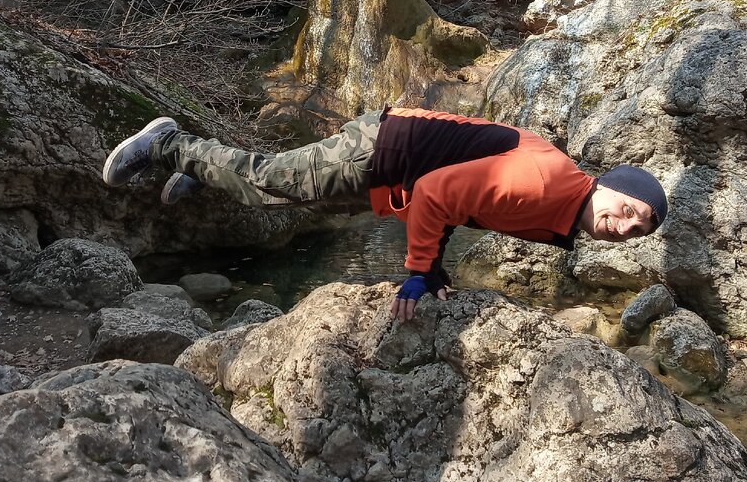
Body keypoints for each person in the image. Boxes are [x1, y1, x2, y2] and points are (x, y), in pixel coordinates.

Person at [102, 108, 668, 322]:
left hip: (396, 169)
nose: (623, 227)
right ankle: (170, 143)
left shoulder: (564, 205)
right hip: (385, 151)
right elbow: (439, 195)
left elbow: (460, 203)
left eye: (634, 231)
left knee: (281, 194)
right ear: (608, 185)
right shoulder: (547, 185)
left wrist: (437, 269)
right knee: (268, 183)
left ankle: (201, 166)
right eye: (627, 210)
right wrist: (420, 271)